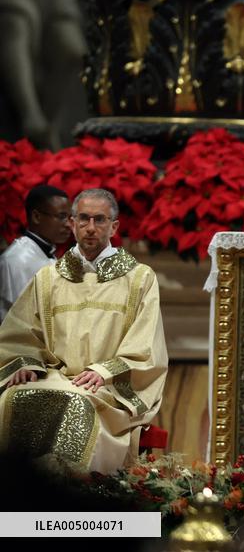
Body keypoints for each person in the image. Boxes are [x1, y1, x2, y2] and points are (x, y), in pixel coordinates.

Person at [0, 188, 168, 473]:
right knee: (13, 398)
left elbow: (145, 346)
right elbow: (21, 332)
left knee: (76, 404)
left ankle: (71, 502)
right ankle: (19, 501)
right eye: (84, 219)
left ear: (114, 226)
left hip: (107, 385)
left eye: (100, 220)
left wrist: (103, 372)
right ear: (73, 223)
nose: (91, 228)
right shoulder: (49, 277)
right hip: (53, 375)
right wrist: (26, 362)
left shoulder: (139, 278)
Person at [0, 184, 72, 321]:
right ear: (37, 217)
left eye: (69, 218)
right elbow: (24, 321)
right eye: (62, 216)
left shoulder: (45, 251)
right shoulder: (17, 260)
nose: (68, 224)